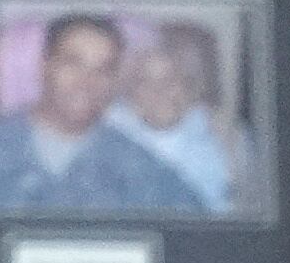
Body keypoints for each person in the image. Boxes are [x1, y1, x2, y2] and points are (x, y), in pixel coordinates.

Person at [0, 16, 208, 215]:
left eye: (103, 69)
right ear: (45, 65)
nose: (87, 81)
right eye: (73, 63)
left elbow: (201, 241)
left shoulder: (140, 169)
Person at [107, 23, 255, 215]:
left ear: (189, 87)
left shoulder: (226, 136)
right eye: (145, 82)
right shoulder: (111, 133)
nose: (159, 91)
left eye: (170, 79)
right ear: (131, 95)